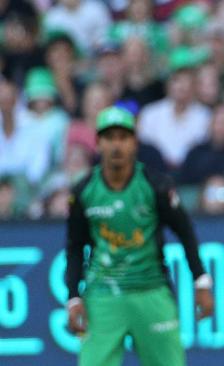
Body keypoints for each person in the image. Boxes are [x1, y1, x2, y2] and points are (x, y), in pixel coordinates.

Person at [65, 106, 214, 366]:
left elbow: (185, 231)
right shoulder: (83, 191)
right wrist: (73, 297)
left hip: (151, 291)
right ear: (98, 143)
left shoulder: (155, 185)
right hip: (103, 295)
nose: (116, 146)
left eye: (123, 137)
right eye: (109, 138)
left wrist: (201, 281)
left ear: (134, 142)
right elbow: (75, 246)